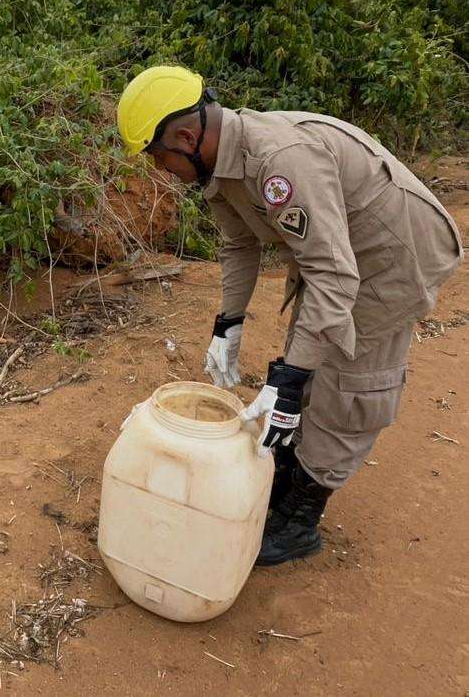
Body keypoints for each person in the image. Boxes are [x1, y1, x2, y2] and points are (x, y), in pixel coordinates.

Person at [116, 65, 463, 566]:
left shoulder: (278, 161)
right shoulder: (219, 164)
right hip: (337, 253)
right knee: (308, 352)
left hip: (394, 251)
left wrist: (290, 378)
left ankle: (301, 516)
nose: (159, 169)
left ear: (188, 136)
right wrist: (228, 324)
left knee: (347, 374)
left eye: (158, 156)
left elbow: (335, 276)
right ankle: (291, 470)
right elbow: (238, 243)